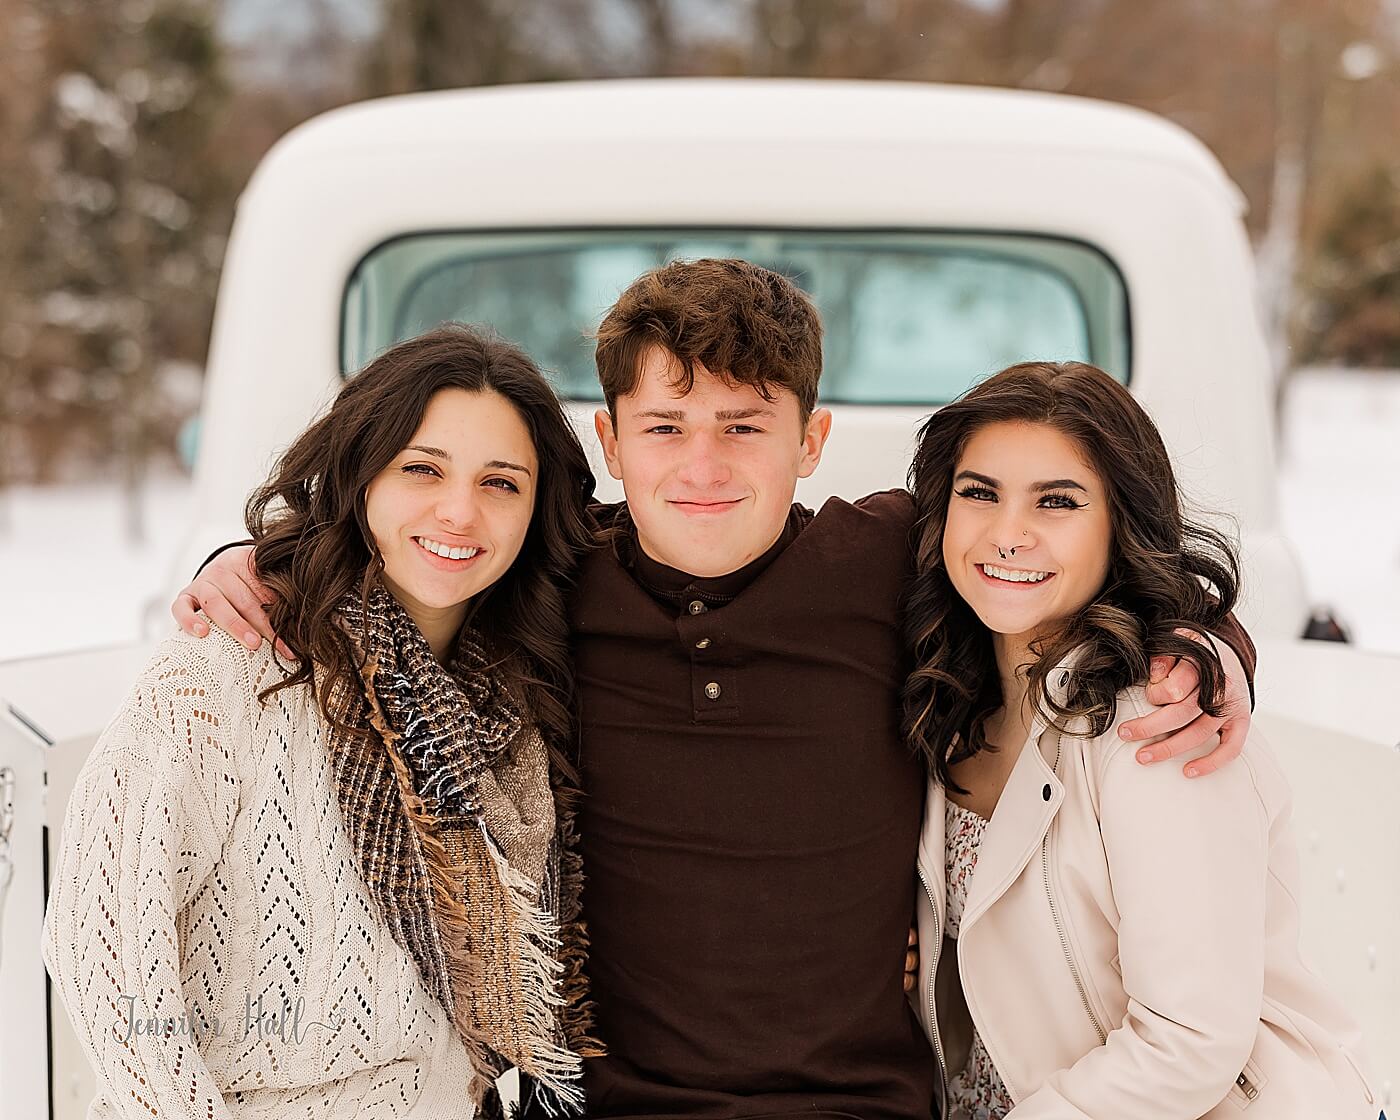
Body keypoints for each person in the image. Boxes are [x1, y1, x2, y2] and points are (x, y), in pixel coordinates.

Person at [175, 260, 1256, 1120]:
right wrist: (253, 561)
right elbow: (401, 554)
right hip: (602, 1102)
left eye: (743, 426)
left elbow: (1049, 564)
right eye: (663, 427)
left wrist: (1204, 643)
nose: (702, 463)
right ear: (607, 442)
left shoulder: (887, 563)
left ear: (810, 440)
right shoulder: (545, 580)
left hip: (853, 1102)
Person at [45, 325, 600, 1120]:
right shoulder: (228, 670)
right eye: (421, 469)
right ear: (359, 476)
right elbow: (102, 957)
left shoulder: (515, 702)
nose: (459, 511)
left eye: (501, 482)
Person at [903, 361, 1376, 1119]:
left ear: (1120, 523)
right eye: (979, 492)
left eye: (1057, 501)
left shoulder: (1164, 723)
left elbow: (1188, 1042)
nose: (1008, 534)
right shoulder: (947, 702)